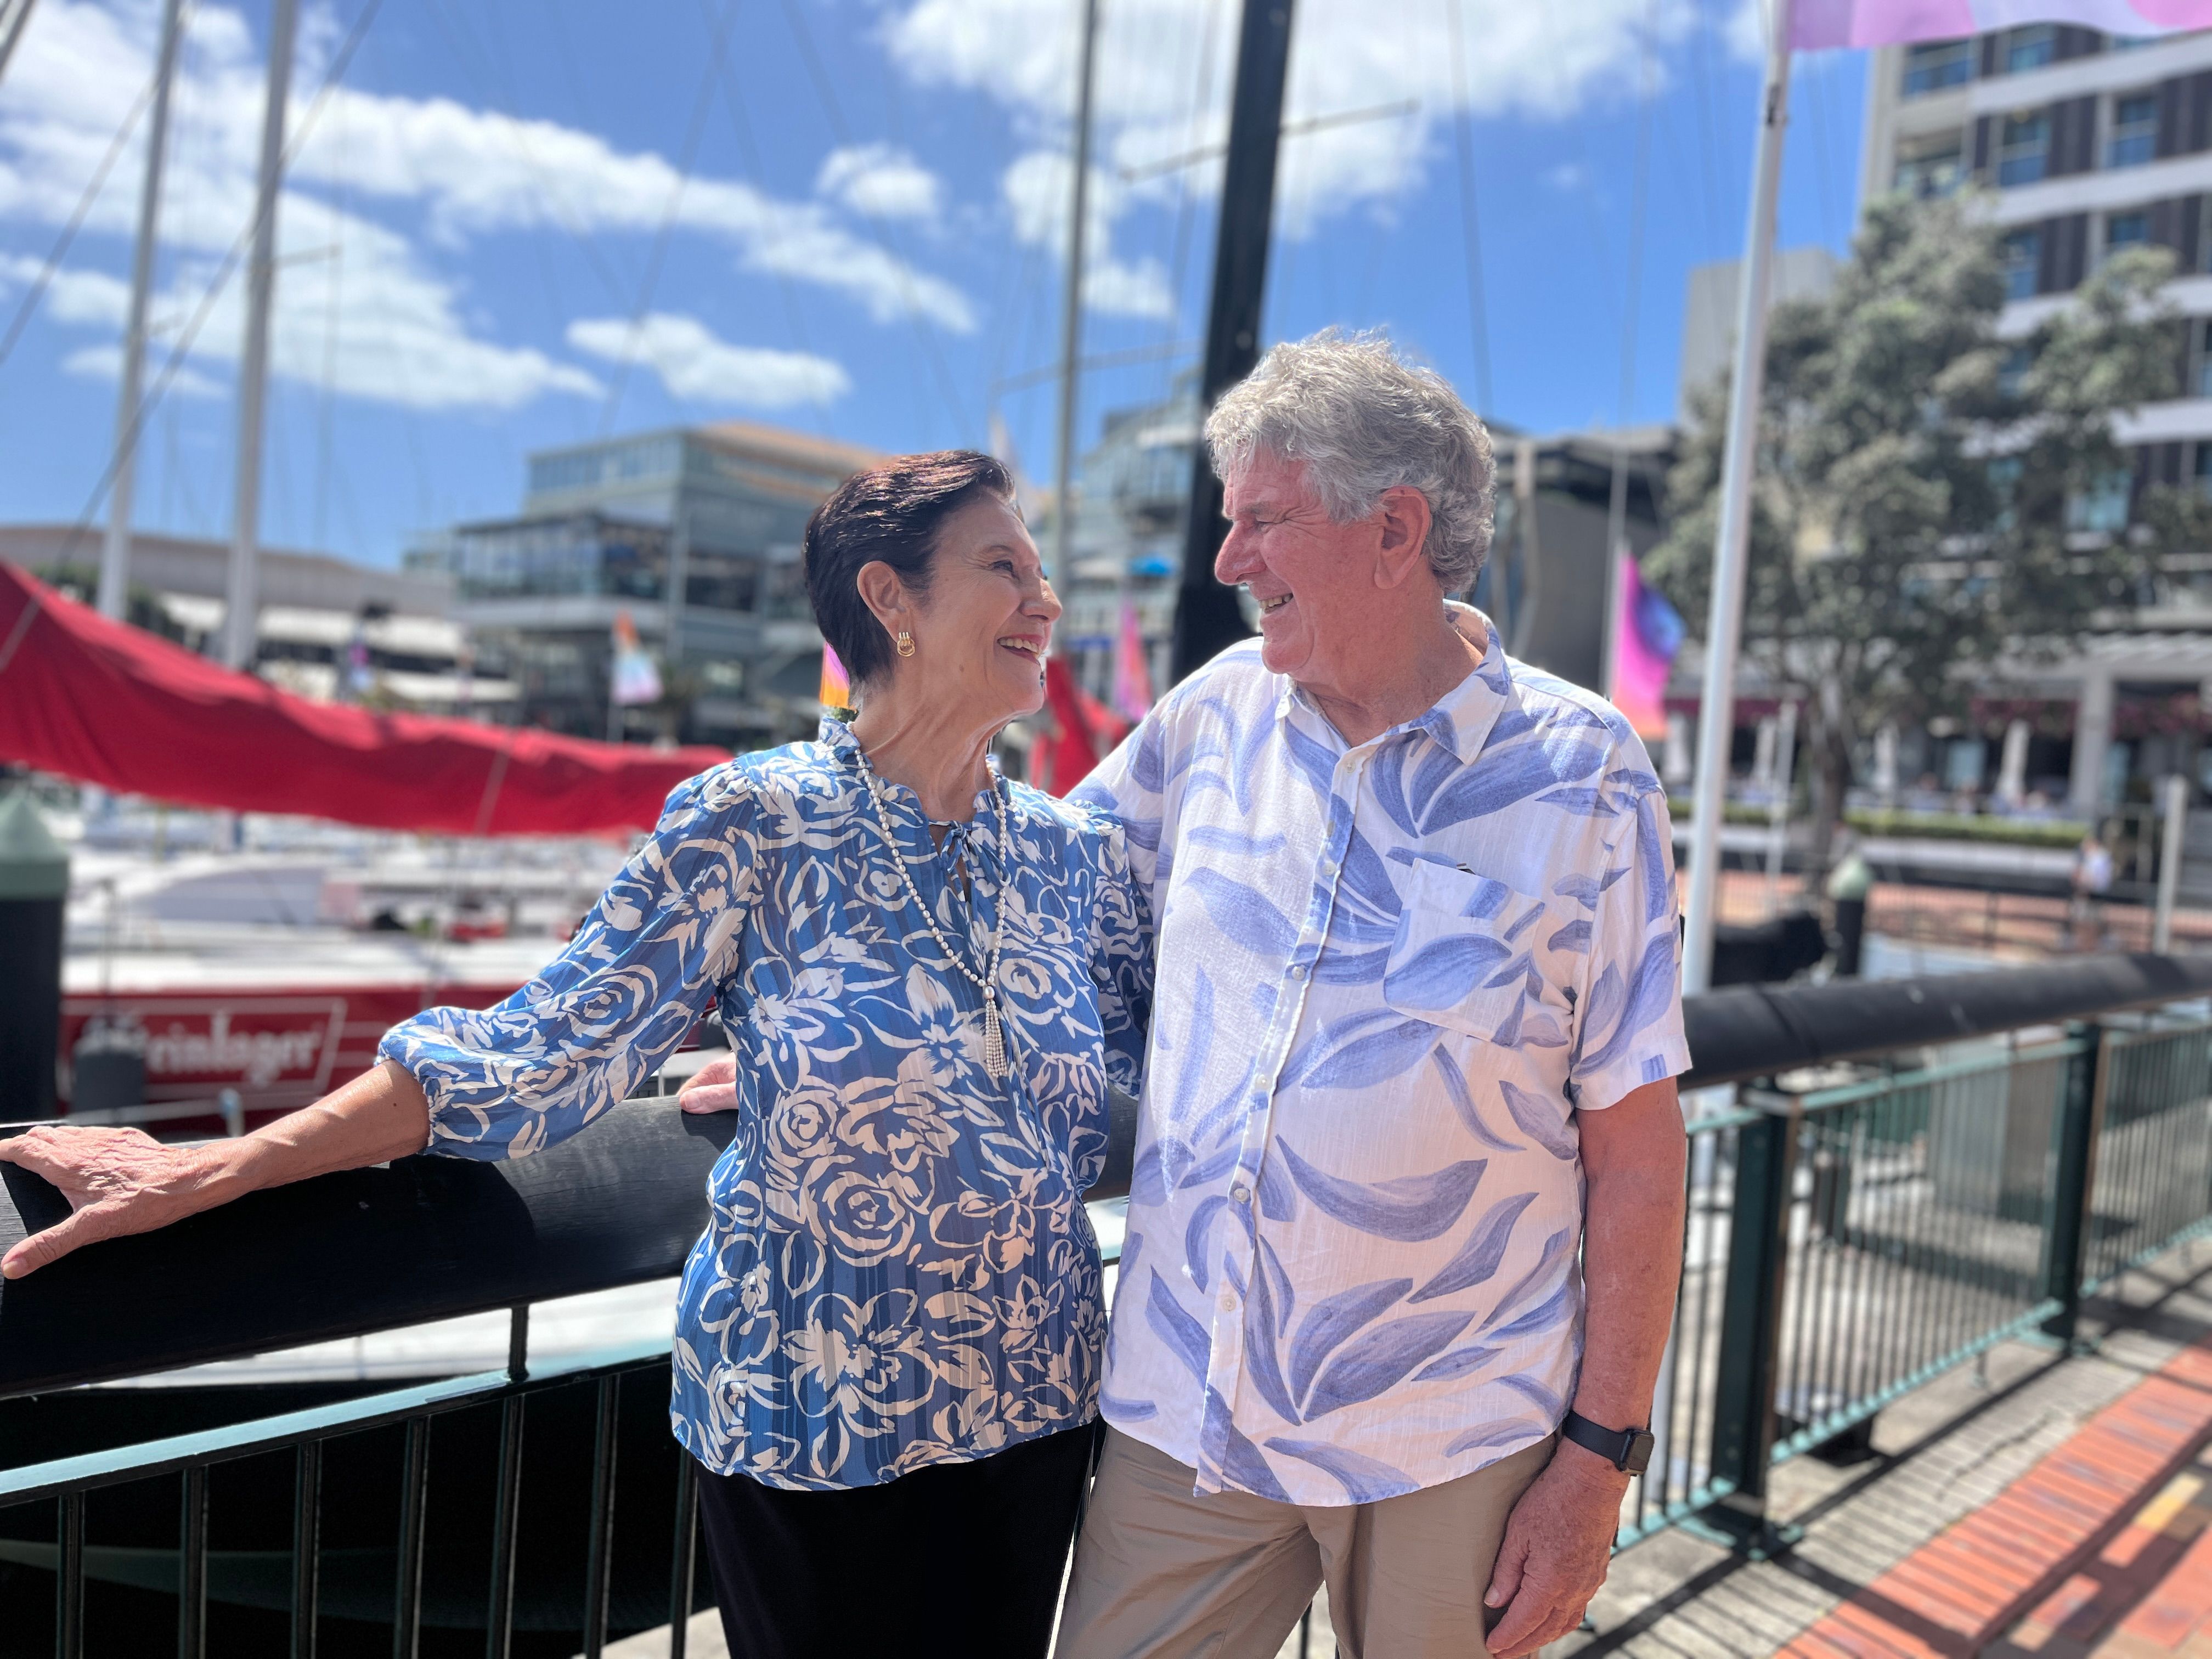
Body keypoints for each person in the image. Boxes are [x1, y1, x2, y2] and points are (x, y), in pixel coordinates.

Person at [0, 452, 1152, 1659]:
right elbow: (534, 1056)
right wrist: (216, 1167)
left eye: (1041, 573)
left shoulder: (1066, 854)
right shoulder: (754, 820)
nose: (1046, 601)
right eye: (1004, 567)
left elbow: (1170, 1049)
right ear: (889, 598)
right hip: (818, 1410)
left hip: (1033, 1396)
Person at [1056, 331, 1691, 1659]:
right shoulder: (1212, 715)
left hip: (1455, 1435)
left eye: (1265, 521)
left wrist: (1596, 1464)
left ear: (1395, 529)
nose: (1229, 562)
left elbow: (1636, 1150)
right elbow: (1027, 899)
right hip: (1187, 1408)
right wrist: (824, 1037)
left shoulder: (1586, 772)